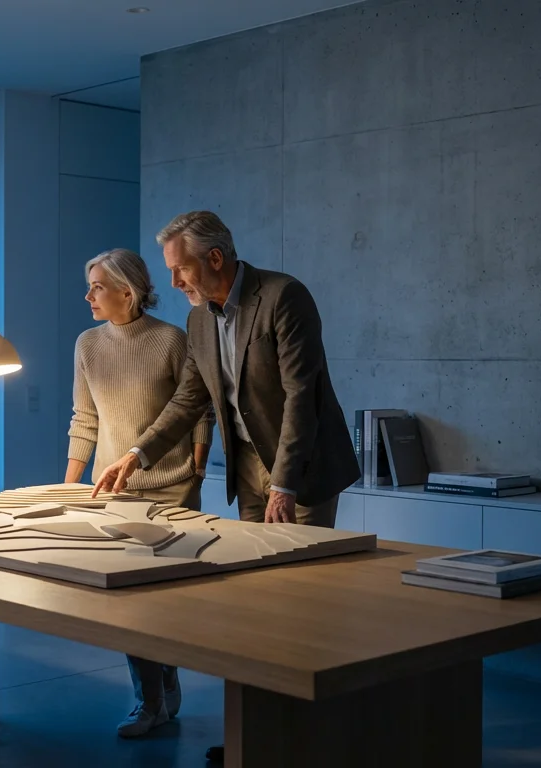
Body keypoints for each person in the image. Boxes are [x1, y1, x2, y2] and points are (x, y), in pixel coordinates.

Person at [91, 212, 359, 763]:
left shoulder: (283, 297)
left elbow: (301, 397)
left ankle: (304, 736)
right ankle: (255, 731)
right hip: (249, 475)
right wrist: (136, 456)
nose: (173, 282)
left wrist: (284, 483)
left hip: (301, 470)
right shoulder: (198, 321)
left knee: (300, 604)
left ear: (215, 258)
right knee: (256, 605)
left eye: (180, 268)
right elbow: (189, 399)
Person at [65, 247, 214, 739]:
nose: (88, 296)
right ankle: (150, 699)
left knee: (166, 600)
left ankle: (164, 682)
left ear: (127, 292)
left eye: (97, 287)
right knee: (130, 600)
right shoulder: (87, 344)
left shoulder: (171, 339)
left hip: (173, 491)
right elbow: (84, 420)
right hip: (114, 494)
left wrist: (197, 467)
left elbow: (198, 406)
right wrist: (68, 485)